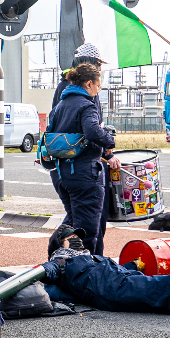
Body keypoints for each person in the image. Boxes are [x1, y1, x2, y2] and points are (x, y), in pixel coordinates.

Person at [27, 246, 170, 323]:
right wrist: (48, 269)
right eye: (70, 240)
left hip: (115, 284)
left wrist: (133, 264)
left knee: (164, 302)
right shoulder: (62, 266)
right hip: (112, 287)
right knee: (166, 288)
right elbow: (42, 288)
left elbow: (118, 268)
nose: (77, 243)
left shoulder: (81, 265)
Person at [45, 61, 116, 255]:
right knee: (87, 231)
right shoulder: (87, 106)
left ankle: (60, 258)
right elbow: (93, 131)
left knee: (73, 225)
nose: (98, 90)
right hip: (85, 175)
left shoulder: (60, 106)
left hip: (63, 175)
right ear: (88, 84)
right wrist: (110, 142)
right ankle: (84, 273)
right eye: (98, 85)